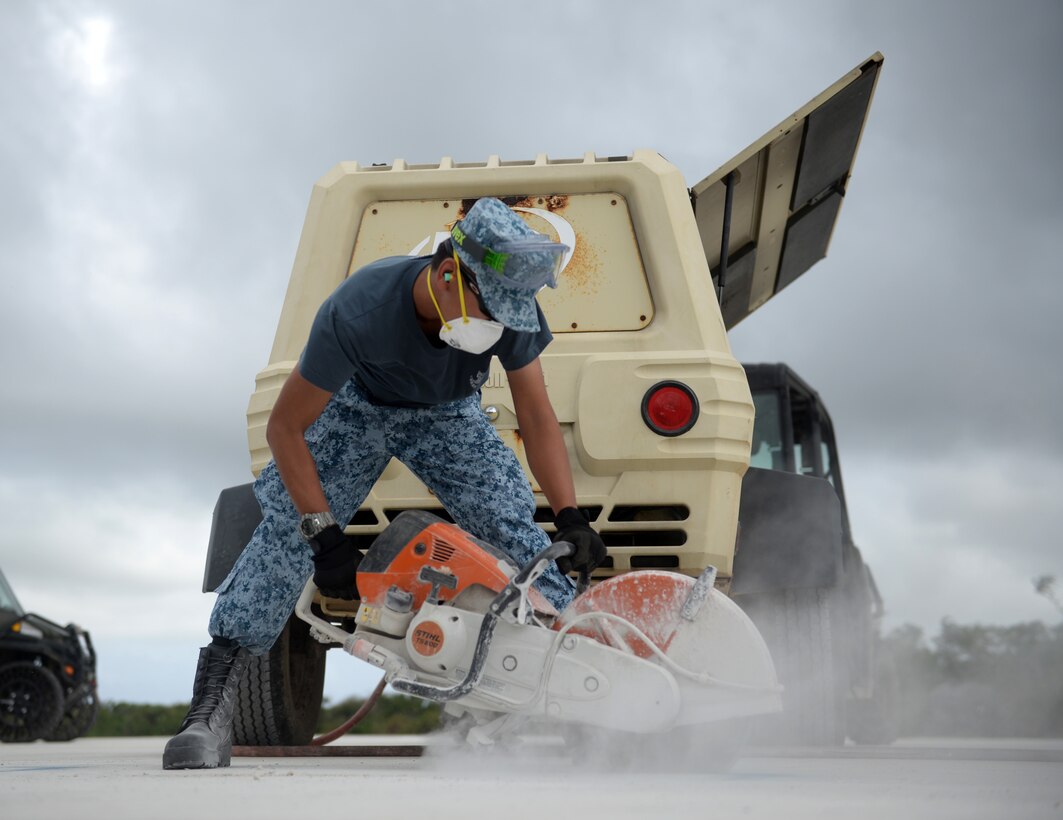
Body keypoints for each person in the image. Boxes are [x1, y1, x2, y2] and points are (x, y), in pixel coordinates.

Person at [162, 197, 607, 769]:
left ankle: (591, 681)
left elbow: (538, 416)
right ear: (449, 274)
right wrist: (323, 536)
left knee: (514, 529)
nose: (497, 325)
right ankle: (210, 707)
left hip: (449, 415)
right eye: (490, 310)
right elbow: (286, 427)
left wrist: (571, 516)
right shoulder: (359, 310)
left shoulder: (511, 306)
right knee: (284, 535)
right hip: (358, 410)